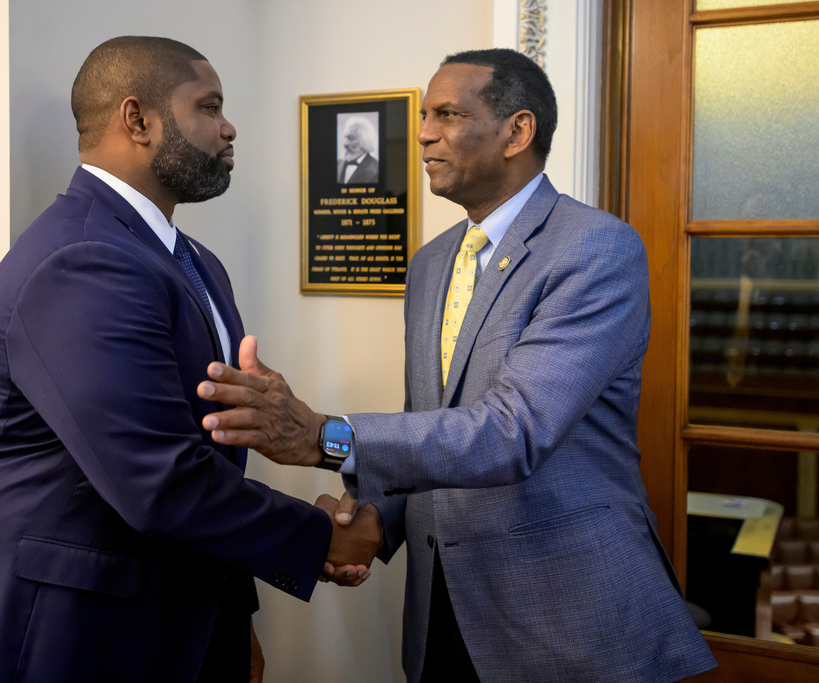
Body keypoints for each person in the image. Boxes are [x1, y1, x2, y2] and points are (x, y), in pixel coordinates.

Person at [198, 49, 718, 682]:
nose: (422, 132)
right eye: (423, 115)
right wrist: (373, 523)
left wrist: (321, 437)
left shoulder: (594, 249)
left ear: (517, 132)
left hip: (568, 618)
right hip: (442, 609)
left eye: (446, 114)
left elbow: (511, 432)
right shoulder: (431, 263)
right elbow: (435, 427)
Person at [0, 36, 381, 683]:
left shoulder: (192, 261)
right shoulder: (80, 260)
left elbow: (210, 457)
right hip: (64, 626)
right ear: (139, 119)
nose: (229, 126)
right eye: (209, 107)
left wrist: (232, 616)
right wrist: (319, 537)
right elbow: (162, 479)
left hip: (173, 616)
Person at [337, 116, 379, 184]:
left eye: (351, 138)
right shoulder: (337, 164)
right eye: (345, 137)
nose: (345, 143)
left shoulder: (376, 168)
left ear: (365, 142)